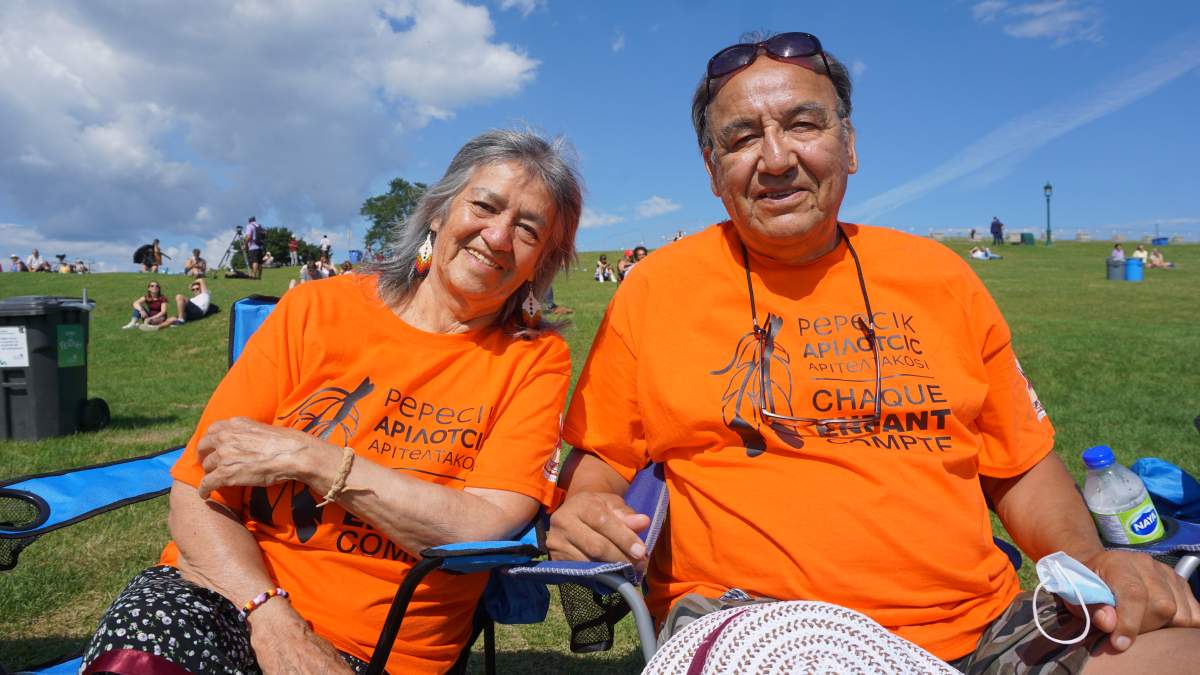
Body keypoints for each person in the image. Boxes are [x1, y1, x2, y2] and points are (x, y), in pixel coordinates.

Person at [548, 30, 1200, 673]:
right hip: (758, 623)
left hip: (983, 624)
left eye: (803, 125)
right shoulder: (658, 288)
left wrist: (1089, 560)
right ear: (713, 169)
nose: (775, 159)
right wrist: (583, 503)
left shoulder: (940, 278)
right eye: (742, 137)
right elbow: (600, 459)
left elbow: (1020, 466)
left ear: (849, 145)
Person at [82, 129, 583, 674]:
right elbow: (198, 488)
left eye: (527, 229)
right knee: (138, 654)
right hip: (229, 594)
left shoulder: (533, 361)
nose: (498, 236)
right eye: (484, 206)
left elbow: (480, 524)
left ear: (543, 261)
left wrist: (312, 458)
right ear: (438, 213)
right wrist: (271, 619)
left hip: (378, 646)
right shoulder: (315, 309)